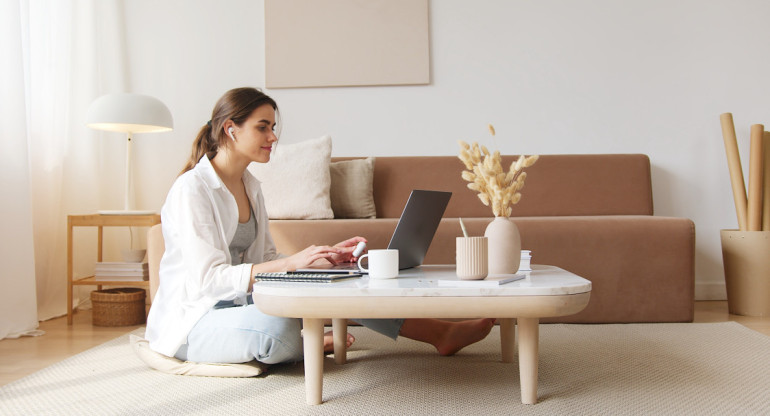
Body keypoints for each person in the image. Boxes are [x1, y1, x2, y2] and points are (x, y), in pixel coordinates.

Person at [145, 87, 495, 365]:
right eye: (262, 127)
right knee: (278, 326)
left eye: (273, 127)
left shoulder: (251, 186)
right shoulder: (193, 189)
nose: (273, 136)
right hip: (195, 320)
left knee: (344, 284)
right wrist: (291, 263)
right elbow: (209, 280)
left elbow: (266, 257)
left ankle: (440, 333)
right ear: (230, 129)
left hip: (241, 303)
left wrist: (318, 261)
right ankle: (306, 343)